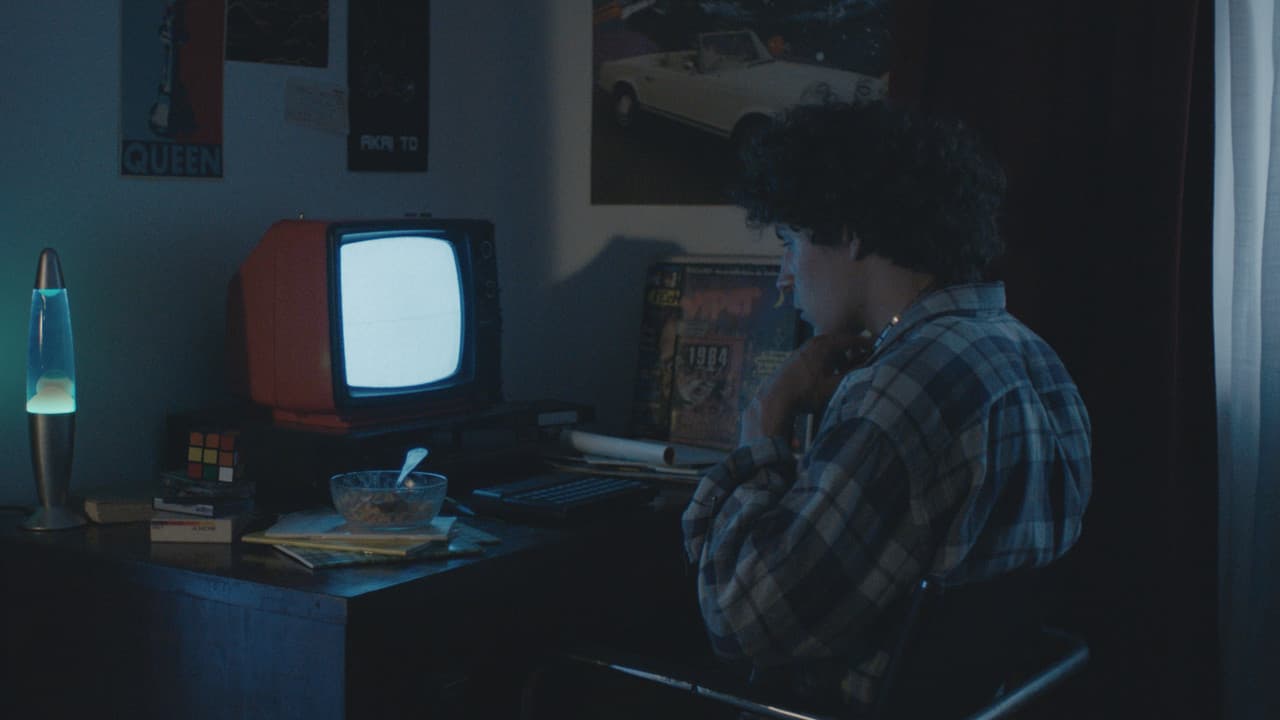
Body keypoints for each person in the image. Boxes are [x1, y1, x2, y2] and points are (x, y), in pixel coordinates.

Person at [681, 98, 1093, 713]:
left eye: (791, 242)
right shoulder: (1035, 358)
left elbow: (741, 622)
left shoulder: (900, 390)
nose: (784, 276)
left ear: (850, 232)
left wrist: (762, 429)